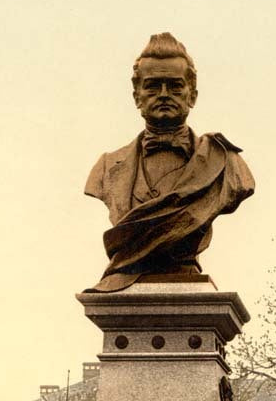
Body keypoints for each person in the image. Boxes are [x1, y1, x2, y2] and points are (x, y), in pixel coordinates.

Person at [85, 33, 255, 292]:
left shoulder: (226, 164)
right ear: (136, 95)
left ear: (192, 95)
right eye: (153, 86)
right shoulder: (107, 168)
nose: (164, 94)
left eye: (175, 86)